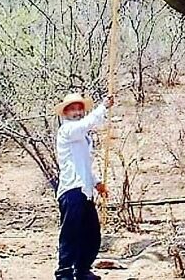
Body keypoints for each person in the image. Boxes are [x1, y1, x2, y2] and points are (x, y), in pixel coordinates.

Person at [53, 92, 114, 280]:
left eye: (79, 108)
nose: (77, 112)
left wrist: (96, 183)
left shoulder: (82, 136)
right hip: (72, 190)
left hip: (84, 191)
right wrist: (103, 107)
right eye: (73, 109)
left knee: (91, 233)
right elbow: (87, 123)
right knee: (71, 232)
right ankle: (64, 272)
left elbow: (83, 165)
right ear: (65, 113)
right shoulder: (67, 131)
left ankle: (81, 270)